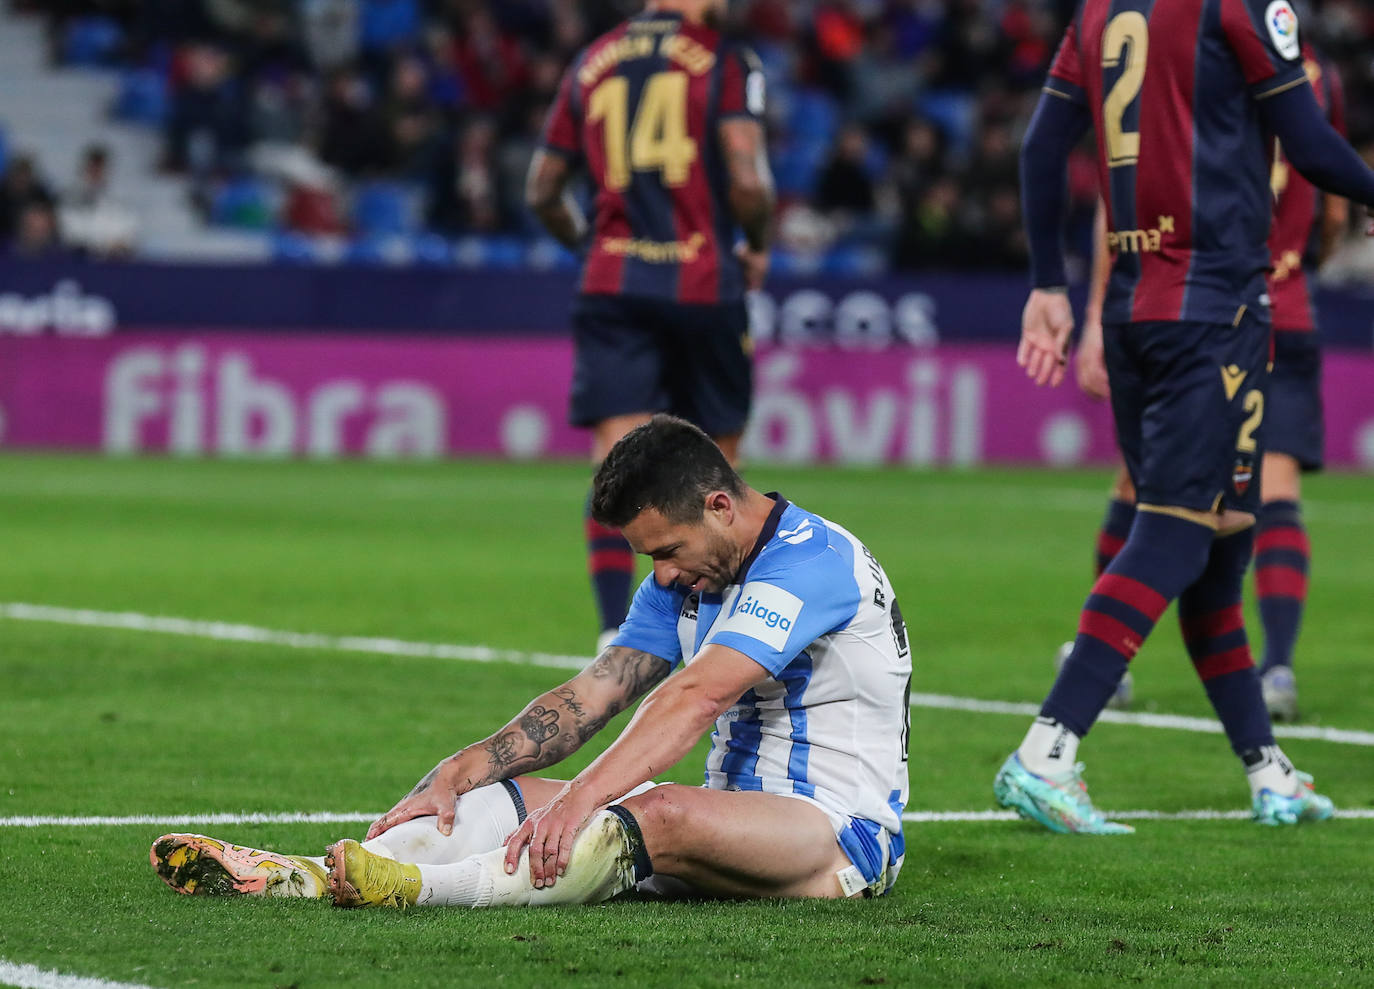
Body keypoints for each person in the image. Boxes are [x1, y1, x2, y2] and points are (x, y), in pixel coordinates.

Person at [151, 415, 911, 906]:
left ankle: (419, 889)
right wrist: (471, 763)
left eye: (669, 552)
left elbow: (696, 698)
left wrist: (580, 799)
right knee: (505, 796)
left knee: (654, 810)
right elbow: (596, 692)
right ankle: (307, 876)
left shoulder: (811, 561)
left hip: (835, 836)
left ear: (719, 505)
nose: (665, 575)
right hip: (732, 820)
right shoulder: (689, 574)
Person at [999, 0, 1374, 833]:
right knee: (1173, 530)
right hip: (1214, 311)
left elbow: (1039, 148)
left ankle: (1268, 770)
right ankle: (1047, 749)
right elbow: (1310, 146)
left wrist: (1048, 285)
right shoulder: (1241, 6)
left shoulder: (1098, 10)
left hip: (1135, 306)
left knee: (1219, 541)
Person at [1071, 40, 1350, 723]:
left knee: (1141, 486)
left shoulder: (1189, 57)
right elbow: (1332, 203)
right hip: (1280, 304)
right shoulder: (1316, 72)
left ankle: (1105, 659)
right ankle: (1277, 666)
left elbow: (1125, 194)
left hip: (1191, 300)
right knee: (1273, 486)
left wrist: (1090, 320)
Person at [524, 0, 775, 653]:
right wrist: (758, 242)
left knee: (616, 458)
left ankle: (617, 633)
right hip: (703, 278)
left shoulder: (591, 63)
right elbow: (747, 180)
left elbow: (542, 189)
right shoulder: (725, 60)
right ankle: (724, 629)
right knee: (719, 466)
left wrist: (589, 246)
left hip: (616, 282)